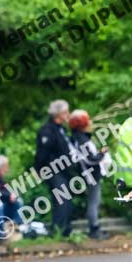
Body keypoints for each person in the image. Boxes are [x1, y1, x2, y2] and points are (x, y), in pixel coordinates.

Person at [35, 99, 75, 237]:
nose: (68, 114)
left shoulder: (61, 129)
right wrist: (39, 169)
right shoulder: (47, 131)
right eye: (66, 112)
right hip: (53, 170)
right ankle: (58, 230)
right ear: (60, 113)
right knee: (62, 199)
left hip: (64, 170)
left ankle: (65, 229)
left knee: (67, 200)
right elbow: (42, 153)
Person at [69, 110, 110, 240]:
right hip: (90, 174)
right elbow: (90, 159)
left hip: (88, 173)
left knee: (94, 201)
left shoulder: (79, 137)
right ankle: (94, 229)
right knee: (94, 202)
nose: (91, 122)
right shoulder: (81, 139)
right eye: (88, 120)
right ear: (82, 124)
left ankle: (94, 227)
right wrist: (102, 153)